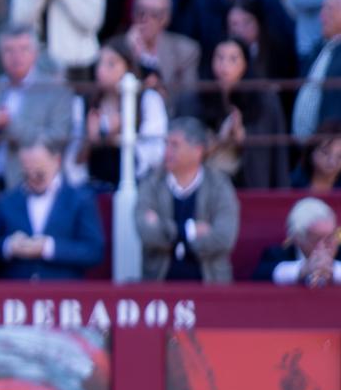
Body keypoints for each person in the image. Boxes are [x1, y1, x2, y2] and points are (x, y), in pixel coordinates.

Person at [135, 116, 240, 281]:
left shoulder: (219, 185)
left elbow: (224, 237)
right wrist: (190, 231)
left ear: (197, 150)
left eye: (174, 145)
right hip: (159, 286)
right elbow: (146, 231)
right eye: (166, 144)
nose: (167, 151)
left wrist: (166, 230)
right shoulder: (151, 183)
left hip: (210, 286)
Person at [0, 24, 74, 189]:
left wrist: (9, 125)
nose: (16, 56)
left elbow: (57, 140)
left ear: (35, 53)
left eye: (23, 49)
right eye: (8, 50)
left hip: (32, 184)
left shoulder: (56, 90)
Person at [0, 139, 105, 279]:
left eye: (39, 173)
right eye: (27, 173)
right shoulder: (6, 201)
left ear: (56, 161)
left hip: (63, 294)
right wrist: (9, 246)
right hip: (16, 294)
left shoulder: (80, 199)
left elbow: (93, 251)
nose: (33, 177)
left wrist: (48, 248)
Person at [197, 36, 290, 188]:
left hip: (249, 184)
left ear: (245, 64)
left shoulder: (264, 100)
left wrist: (242, 136)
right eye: (219, 58)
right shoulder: (197, 97)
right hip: (209, 185)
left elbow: (275, 156)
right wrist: (220, 139)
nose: (224, 66)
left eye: (233, 59)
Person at [79, 37, 168, 188]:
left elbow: (155, 153)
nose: (101, 70)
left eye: (111, 64)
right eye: (99, 63)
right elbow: (75, 164)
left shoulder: (148, 100)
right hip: (95, 187)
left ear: (127, 67)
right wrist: (92, 141)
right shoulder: (86, 103)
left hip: (139, 185)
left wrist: (118, 135)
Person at [125, 0, 200, 98]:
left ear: (167, 18)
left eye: (154, 14)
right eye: (141, 12)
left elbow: (185, 104)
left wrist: (145, 60)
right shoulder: (118, 49)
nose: (145, 19)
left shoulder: (186, 51)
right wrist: (131, 54)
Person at [292, 0, 341, 140]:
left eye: (329, 9)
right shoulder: (319, 48)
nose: (322, 16)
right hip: (308, 155)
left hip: (331, 154)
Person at [253, 199, 341, 284]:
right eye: (316, 240)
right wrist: (302, 270)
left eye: (329, 238)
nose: (323, 246)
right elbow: (260, 276)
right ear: (298, 239)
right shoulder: (277, 254)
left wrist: (333, 270)